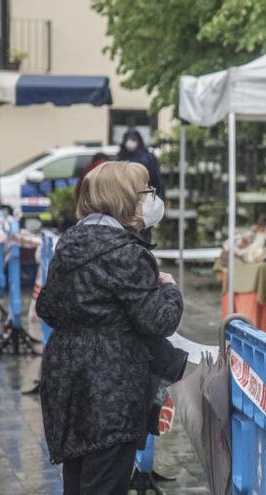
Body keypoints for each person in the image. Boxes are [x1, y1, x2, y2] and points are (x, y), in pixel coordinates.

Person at [36, 161, 185, 495]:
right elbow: (158, 320)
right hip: (111, 387)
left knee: (77, 480)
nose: (152, 199)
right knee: (105, 481)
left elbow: (46, 306)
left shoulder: (69, 243)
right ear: (124, 197)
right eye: (147, 191)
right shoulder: (125, 253)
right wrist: (170, 290)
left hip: (66, 382)